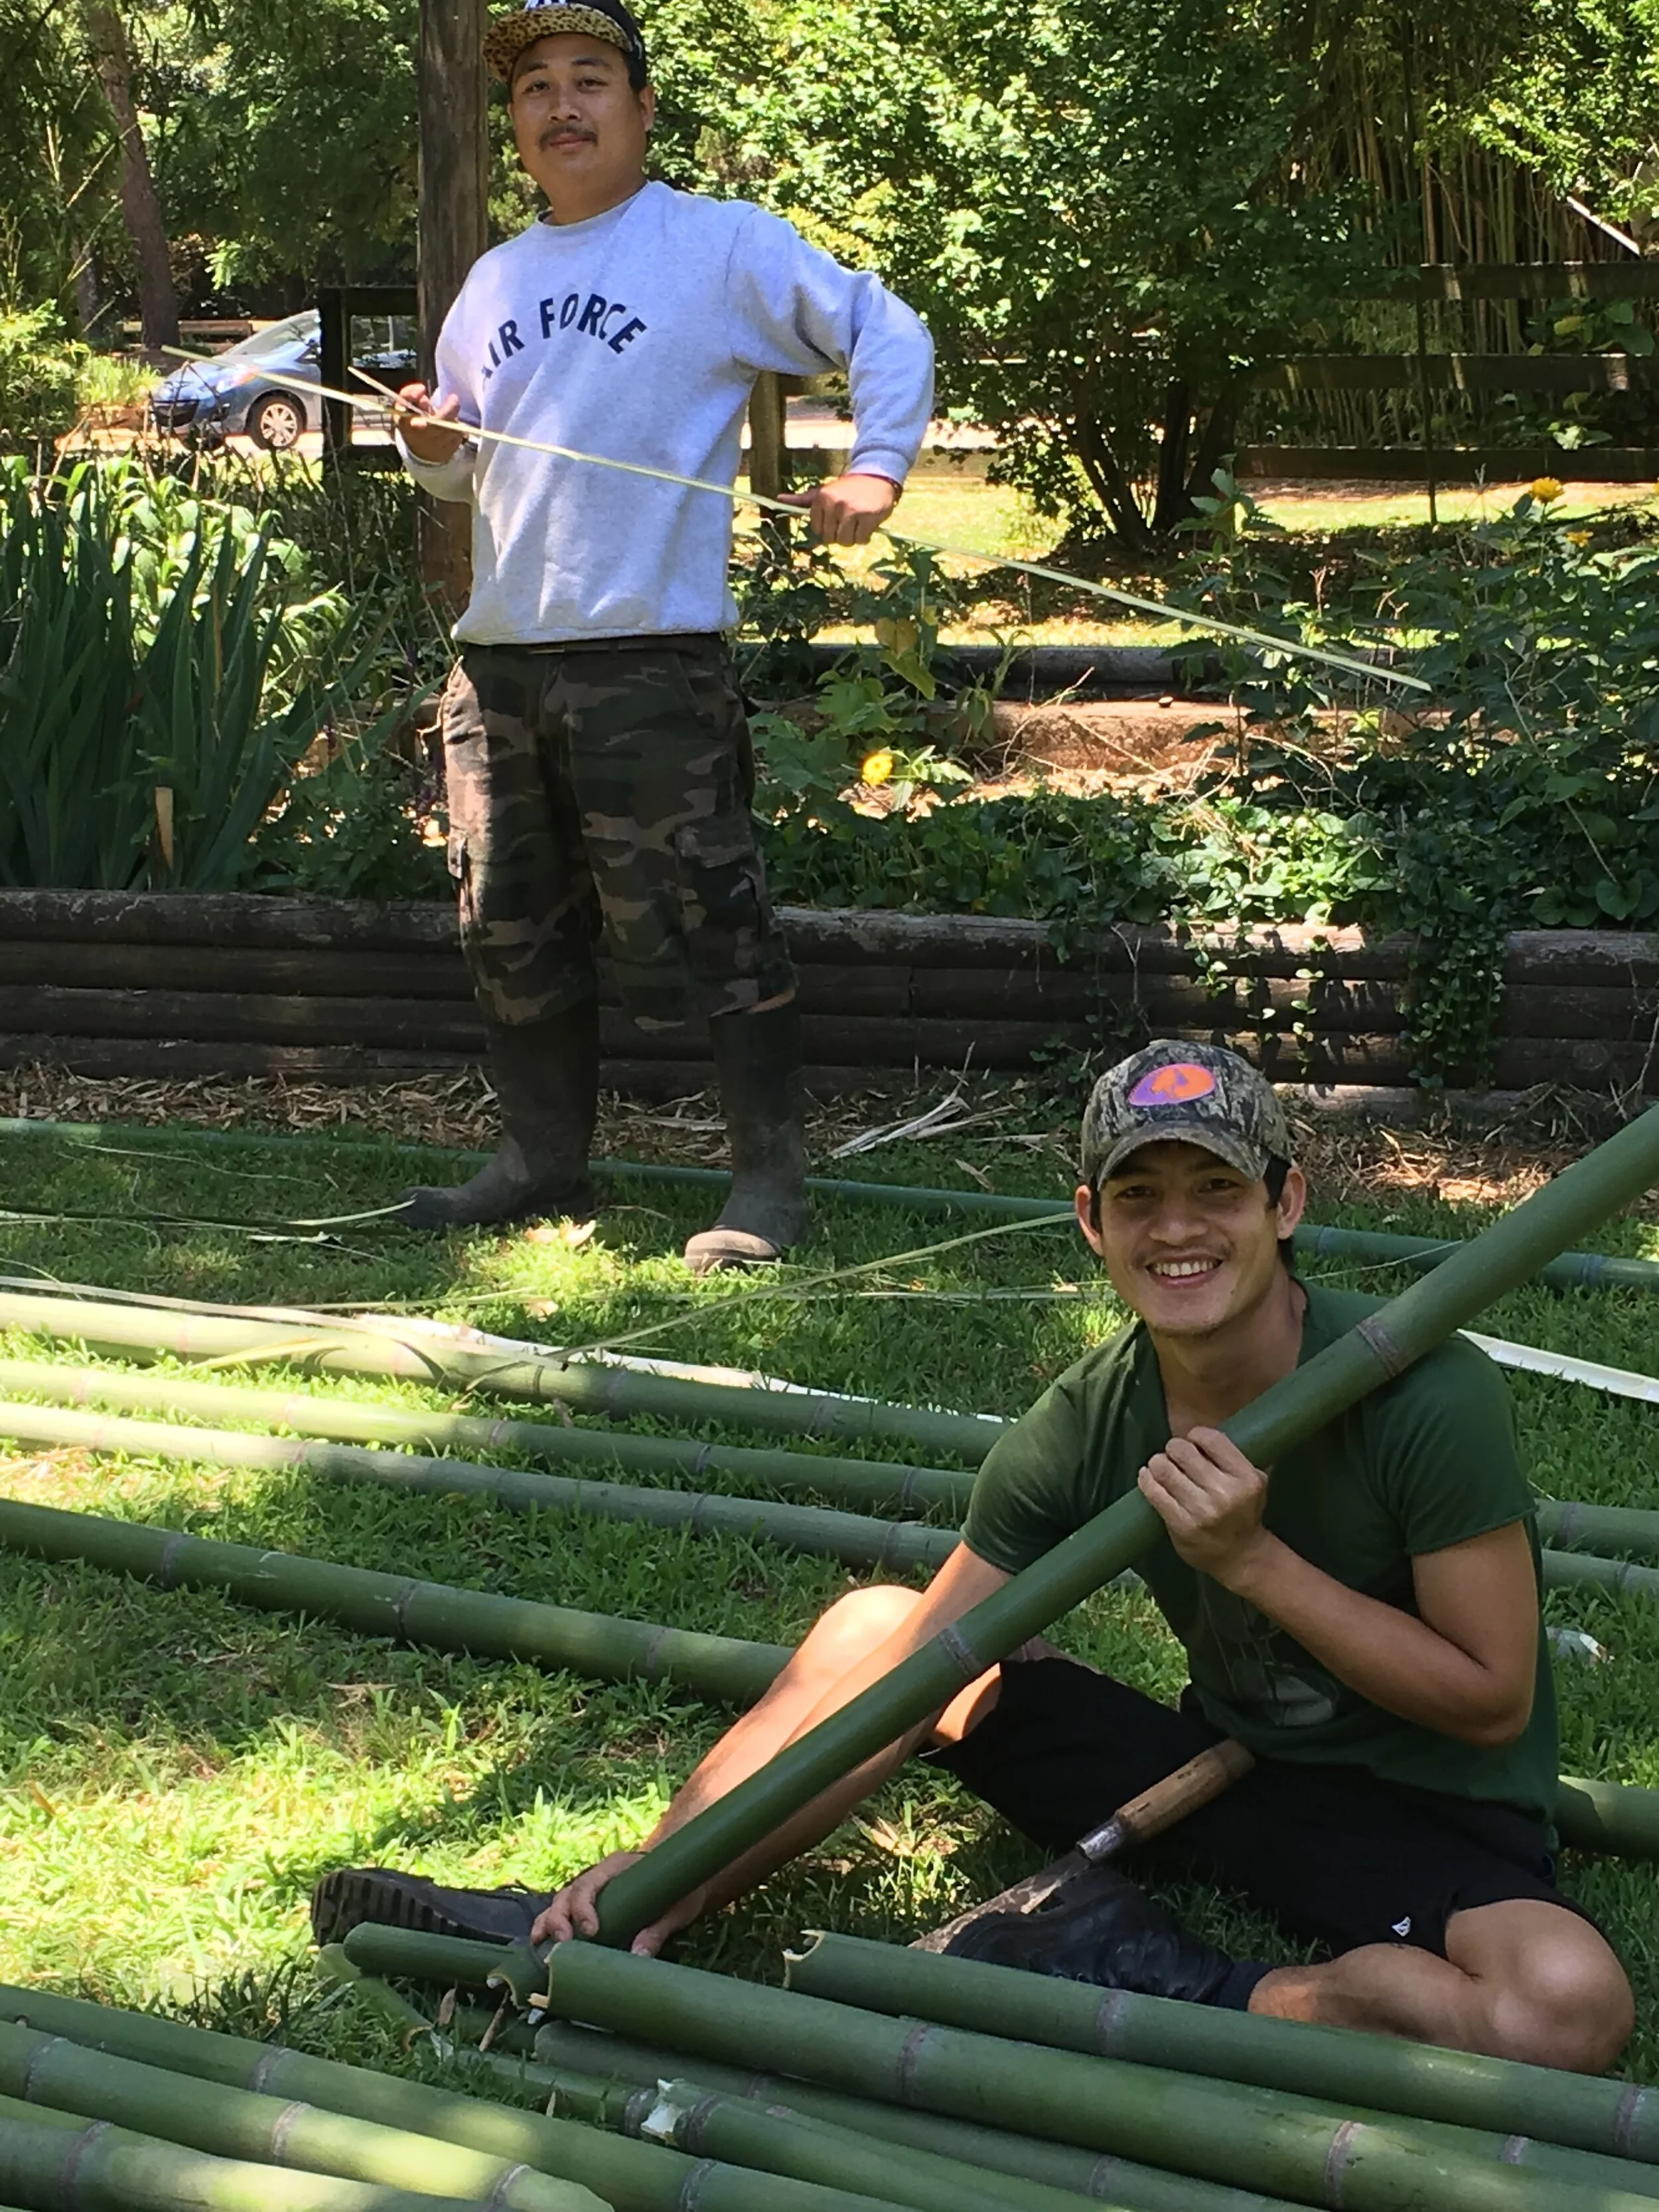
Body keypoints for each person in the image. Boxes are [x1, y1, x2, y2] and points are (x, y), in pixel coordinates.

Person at [311, 1039, 1632, 2071]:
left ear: (1283, 1199)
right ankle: (618, 1920)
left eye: (1215, 1188)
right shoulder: (1095, 1410)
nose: (1178, 1228)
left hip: (1428, 1815)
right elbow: (913, 1655)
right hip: (1226, 1776)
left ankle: (1183, 1983)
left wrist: (1253, 1563)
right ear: (1089, 1221)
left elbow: (1490, 1697)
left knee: (1561, 2010)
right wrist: (670, 1851)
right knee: (879, 1619)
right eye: (1140, 1194)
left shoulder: (1421, 1394)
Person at [392, 0, 934, 1269]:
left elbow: (885, 327)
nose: (561, 105)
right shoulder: (494, 280)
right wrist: (432, 448)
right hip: (502, 665)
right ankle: (539, 1163)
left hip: (651, 659)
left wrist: (880, 467)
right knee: (507, 924)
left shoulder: (717, 247)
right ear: (515, 124)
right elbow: (468, 470)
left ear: (642, 110)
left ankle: (766, 1189)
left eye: (591, 79)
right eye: (534, 87)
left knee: (710, 921)